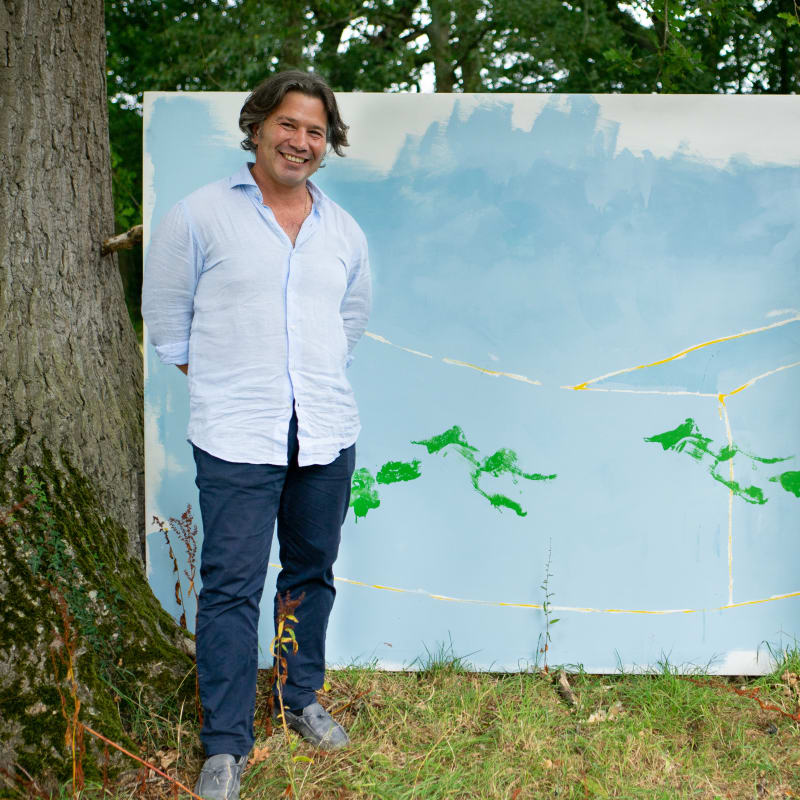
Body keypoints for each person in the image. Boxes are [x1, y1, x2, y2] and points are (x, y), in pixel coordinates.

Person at [142, 70, 371, 800]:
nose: (300, 141)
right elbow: (168, 320)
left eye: (314, 131)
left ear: (325, 142)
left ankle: (298, 698)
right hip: (237, 437)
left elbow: (349, 323)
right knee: (232, 588)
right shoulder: (200, 215)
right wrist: (231, 381)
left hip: (326, 435)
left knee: (309, 577)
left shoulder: (343, 231)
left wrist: (308, 383)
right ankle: (225, 743)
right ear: (258, 125)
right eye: (288, 125)